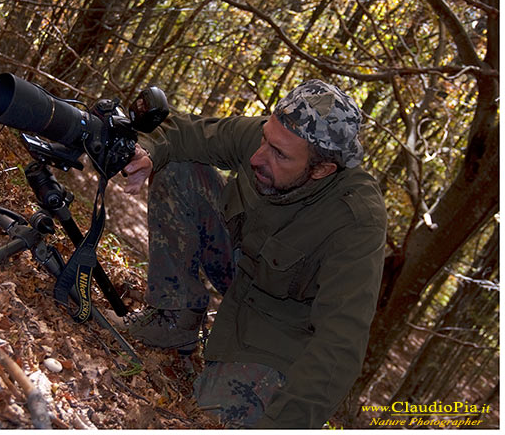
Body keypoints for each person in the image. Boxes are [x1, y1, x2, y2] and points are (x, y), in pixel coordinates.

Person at [115, 79, 387, 428]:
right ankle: (173, 316)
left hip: (276, 326)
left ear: (322, 170)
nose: (259, 156)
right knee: (176, 163)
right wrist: (147, 153)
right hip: (237, 261)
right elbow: (186, 131)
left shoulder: (356, 221)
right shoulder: (274, 137)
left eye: (279, 155)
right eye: (265, 139)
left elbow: (339, 346)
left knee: (211, 416)